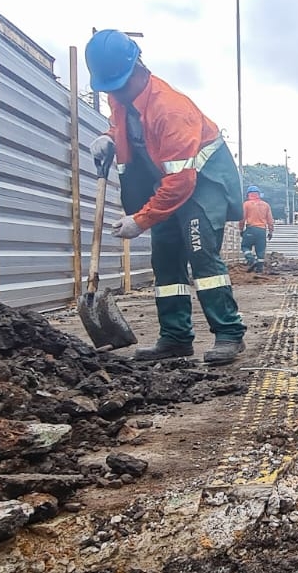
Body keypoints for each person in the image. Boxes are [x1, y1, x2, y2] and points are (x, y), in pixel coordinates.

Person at [86, 29, 247, 365]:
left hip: (202, 182)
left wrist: (140, 219)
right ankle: (175, 338)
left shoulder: (170, 110)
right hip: (167, 182)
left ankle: (229, 334)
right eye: (110, 88)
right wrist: (107, 137)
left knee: (201, 254)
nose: (115, 92)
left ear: (138, 68)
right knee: (165, 257)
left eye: (119, 84)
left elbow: (181, 182)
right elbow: (124, 127)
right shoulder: (120, 96)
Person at [241, 185, 274, 272]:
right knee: (260, 251)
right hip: (262, 231)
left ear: (248, 195)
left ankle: (251, 260)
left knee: (245, 246)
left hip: (251, 229)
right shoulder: (266, 205)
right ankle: (259, 270)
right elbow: (270, 220)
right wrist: (270, 231)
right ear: (259, 194)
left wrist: (241, 229)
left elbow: (242, 218)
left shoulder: (246, 204)